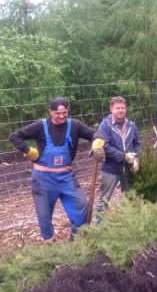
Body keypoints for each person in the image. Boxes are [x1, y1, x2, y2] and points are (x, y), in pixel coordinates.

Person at [9, 97, 105, 241]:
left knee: (82, 207)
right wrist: (29, 151)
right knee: (44, 216)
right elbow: (15, 136)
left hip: (66, 177)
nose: (61, 116)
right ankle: (51, 248)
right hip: (43, 179)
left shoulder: (75, 125)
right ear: (50, 112)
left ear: (68, 111)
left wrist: (97, 144)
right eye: (57, 113)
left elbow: (96, 134)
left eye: (64, 113)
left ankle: (75, 242)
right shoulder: (40, 126)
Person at [95, 96, 141, 222]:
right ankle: (97, 225)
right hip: (110, 169)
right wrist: (124, 156)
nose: (120, 110)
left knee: (128, 198)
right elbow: (105, 146)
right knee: (104, 200)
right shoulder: (105, 126)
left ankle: (128, 223)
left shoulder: (131, 125)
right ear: (111, 109)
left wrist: (137, 159)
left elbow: (137, 143)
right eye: (117, 108)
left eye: (123, 108)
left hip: (127, 169)